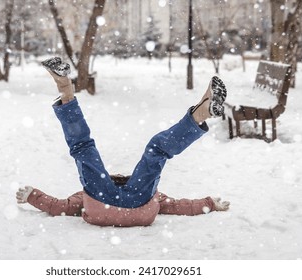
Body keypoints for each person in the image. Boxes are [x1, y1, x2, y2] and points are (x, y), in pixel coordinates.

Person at [16, 57, 230, 227]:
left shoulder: (86, 194)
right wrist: (208, 204)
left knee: (89, 148)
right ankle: (201, 113)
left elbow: (58, 207)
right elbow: (178, 206)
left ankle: (65, 88)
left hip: (102, 206)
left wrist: (32, 196)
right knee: (87, 147)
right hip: (141, 209)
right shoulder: (147, 191)